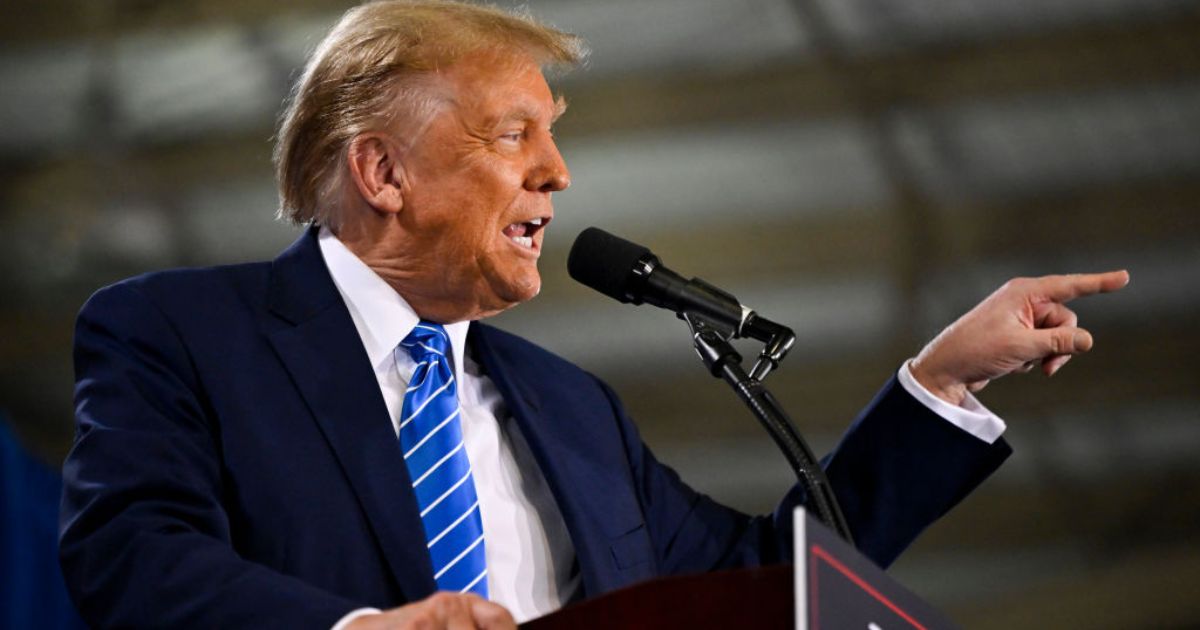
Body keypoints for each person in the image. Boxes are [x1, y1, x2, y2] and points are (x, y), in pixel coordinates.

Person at [58, 2, 1130, 629]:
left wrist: (939, 384)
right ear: (383, 171)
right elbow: (130, 555)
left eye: (553, 137)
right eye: (513, 134)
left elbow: (770, 578)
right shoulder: (180, 333)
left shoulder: (572, 411)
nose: (559, 174)